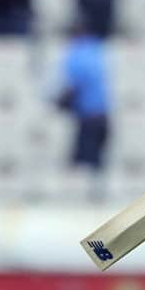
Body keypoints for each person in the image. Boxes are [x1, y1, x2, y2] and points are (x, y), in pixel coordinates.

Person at [55, 17, 111, 177]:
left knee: (82, 168)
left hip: (88, 119)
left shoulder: (76, 54)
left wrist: (60, 102)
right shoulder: (98, 49)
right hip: (104, 116)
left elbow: (75, 86)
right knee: (96, 166)